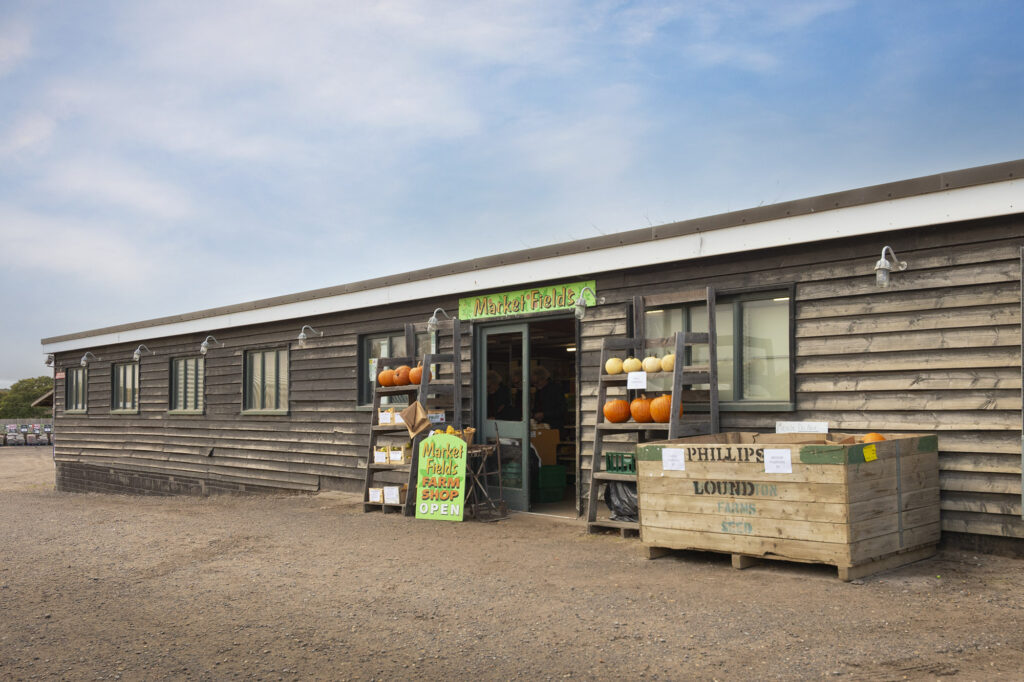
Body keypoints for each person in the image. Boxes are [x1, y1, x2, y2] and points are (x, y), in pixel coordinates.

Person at [530, 365, 565, 431]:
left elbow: (562, 410)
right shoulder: (539, 391)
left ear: (544, 379)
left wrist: (544, 414)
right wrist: (534, 414)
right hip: (542, 426)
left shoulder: (556, 389)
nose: (535, 385)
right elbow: (536, 407)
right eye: (533, 383)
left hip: (554, 426)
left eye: (537, 382)